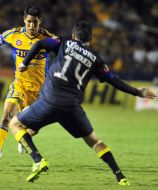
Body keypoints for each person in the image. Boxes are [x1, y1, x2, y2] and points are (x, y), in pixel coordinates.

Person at [8, 21, 157, 184]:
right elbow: (114, 80)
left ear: (74, 36)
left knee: (15, 124)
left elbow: (39, 44)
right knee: (95, 142)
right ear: (90, 39)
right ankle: (120, 176)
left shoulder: (63, 42)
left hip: (49, 100)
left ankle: (38, 160)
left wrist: (25, 62)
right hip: (71, 107)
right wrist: (139, 92)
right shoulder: (95, 59)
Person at [0, 5, 56, 152]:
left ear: (40, 21)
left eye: (35, 22)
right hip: (19, 85)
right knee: (6, 117)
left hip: (40, 92)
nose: (31, 25)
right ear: (24, 20)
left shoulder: (48, 38)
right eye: (29, 21)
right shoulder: (14, 34)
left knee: (34, 128)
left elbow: (63, 52)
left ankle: (25, 137)